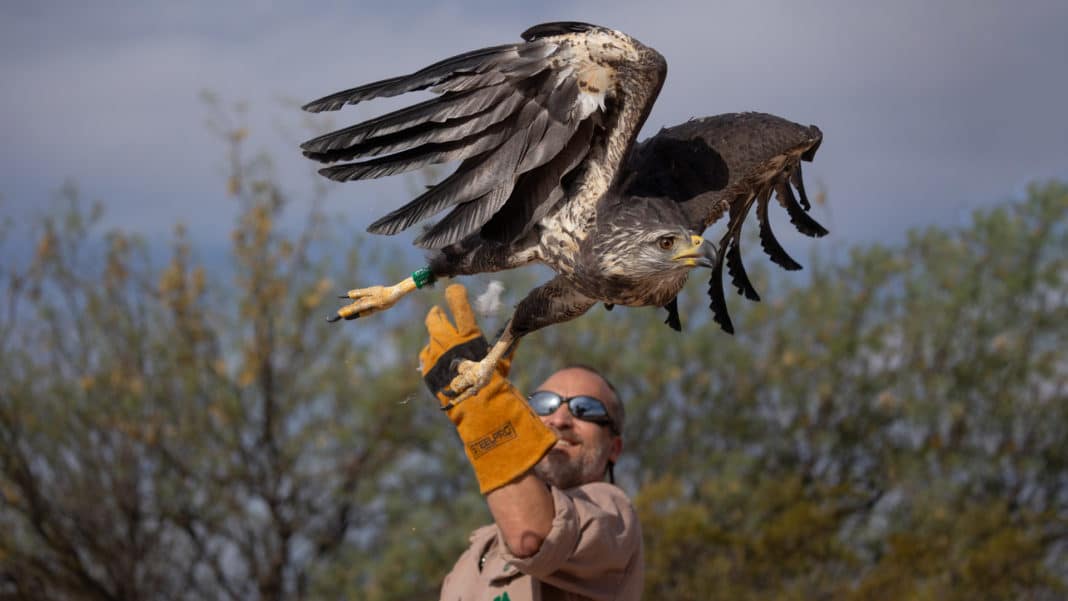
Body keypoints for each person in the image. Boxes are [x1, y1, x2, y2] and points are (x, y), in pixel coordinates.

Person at [420, 284, 643, 601]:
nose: (560, 419)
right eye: (544, 404)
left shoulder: (613, 517)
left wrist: (485, 413)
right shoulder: (475, 554)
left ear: (614, 449)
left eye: (585, 409)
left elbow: (531, 536)